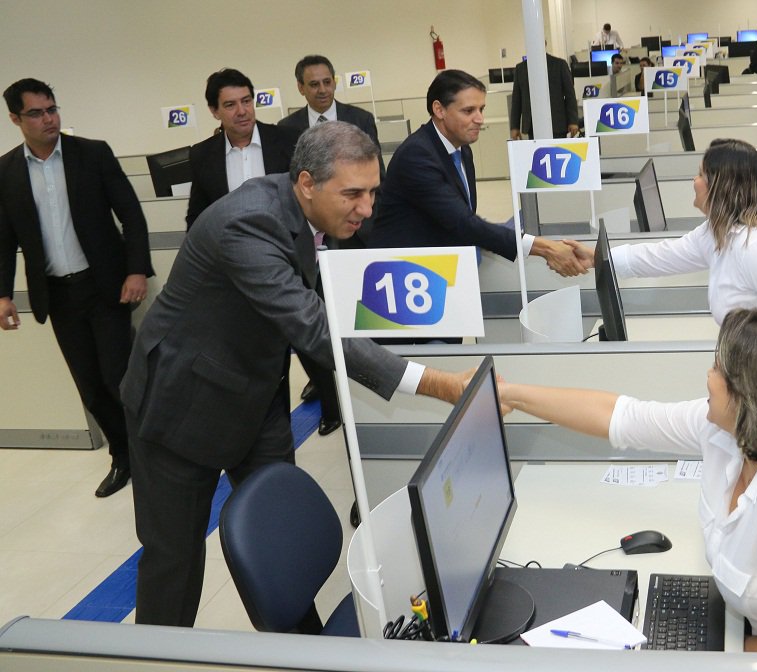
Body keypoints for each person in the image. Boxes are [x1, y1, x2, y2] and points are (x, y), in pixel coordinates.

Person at [120, 121, 470, 628]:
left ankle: (305, 646)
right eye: (353, 194)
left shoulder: (308, 209)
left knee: (277, 537)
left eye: (373, 192)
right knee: (174, 560)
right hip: (181, 404)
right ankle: (156, 652)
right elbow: (312, 326)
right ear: (306, 183)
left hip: (254, 392)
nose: (367, 208)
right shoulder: (247, 223)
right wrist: (436, 382)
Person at [499, 308, 757, 654]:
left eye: (719, 368)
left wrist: (733, 653)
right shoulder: (727, 433)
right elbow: (623, 417)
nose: (708, 376)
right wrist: (512, 394)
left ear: (751, 400)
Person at [0, 78, 153, 498]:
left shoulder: (92, 153)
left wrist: (136, 270)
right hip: (58, 294)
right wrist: (3, 294)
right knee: (90, 386)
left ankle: (150, 454)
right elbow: (4, 239)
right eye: (37, 112)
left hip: (105, 287)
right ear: (15, 118)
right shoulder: (6, 171)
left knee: (119, 377)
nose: (49, 118)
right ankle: (123, 455)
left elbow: (131, 216)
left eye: (52, 109)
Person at [566, 139, 757, 337]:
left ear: (721, 187)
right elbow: (663, 255)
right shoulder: (721, 230)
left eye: (700, 174)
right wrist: (597, 259)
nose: (694, 181)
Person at [369, 70, 586, 277]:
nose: (480, 119)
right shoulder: (417, 155)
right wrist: (544, 247)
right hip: (407, 276)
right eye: (468, 111)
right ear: (439, 109)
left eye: (481, 109)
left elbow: (465, 218)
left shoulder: (462, 149)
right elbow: (462, 222)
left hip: (443, 267)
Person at [278, 54, 385, 436]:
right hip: (311, 241)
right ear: (301, 88)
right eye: (314, 84)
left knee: (361, 312)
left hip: (356, 238)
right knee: (316, 318)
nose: (322, 89)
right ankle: (330, 398)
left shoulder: (360, 119)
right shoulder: (286, 129)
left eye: (327, 82)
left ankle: (364, 381)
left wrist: (369, 227)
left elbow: (378, 180)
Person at [185, 69, 300, 229]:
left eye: (246, 101)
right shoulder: (202, 155)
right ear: (214, 111)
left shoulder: (290, 141)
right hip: (229, 249)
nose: (242, 111)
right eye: (230, 105)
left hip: (286, 246)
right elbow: (197, 217)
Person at [509, 51, 579, 140]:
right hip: (532, 126)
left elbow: (570, 95)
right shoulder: (521, 68)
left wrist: (573, 121)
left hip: (557, 125)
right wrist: (514, 127)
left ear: (545, 43)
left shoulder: (559, 65)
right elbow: (516, 100)